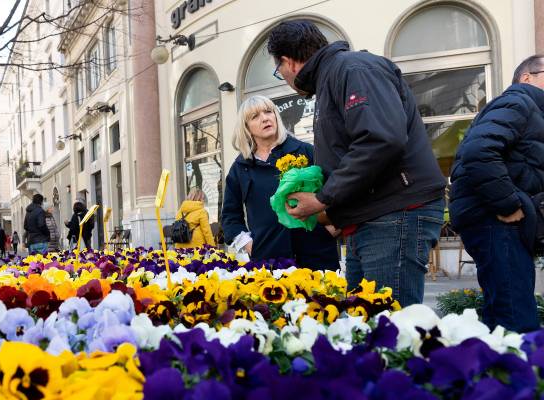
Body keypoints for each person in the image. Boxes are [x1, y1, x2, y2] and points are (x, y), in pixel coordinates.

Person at [267, 20, 446, 306]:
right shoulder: (334, 78)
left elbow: (380, 139)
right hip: (375, 216)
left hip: (394, 213)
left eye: (279, 71)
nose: (285, 78)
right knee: (366, 321)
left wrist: (323, 198)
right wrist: (337, 213)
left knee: (389, 326)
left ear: (289, 63)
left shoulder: (353, 69)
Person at [448, 55, 544, 332]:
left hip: (498, 221)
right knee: (515, 318)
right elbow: (479, 151)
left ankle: (496, 371)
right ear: (526, 77)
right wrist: (507, 204)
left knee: (505, 313)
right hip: (495, 219)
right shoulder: (519, 101)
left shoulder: (529, 108)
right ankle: (516, 372)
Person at [221, 95, 339, 270]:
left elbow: (338, 188)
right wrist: (251, 246)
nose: (265, 118)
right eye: (255, 116)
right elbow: (230, 217)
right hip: (270, 264)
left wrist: (333, 228)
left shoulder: (306, 151)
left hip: (318, 257)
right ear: (246, 128)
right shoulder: (241, 167)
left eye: (268, 112)